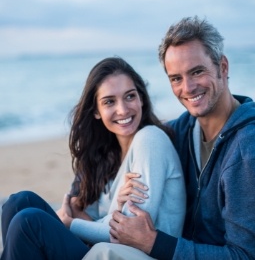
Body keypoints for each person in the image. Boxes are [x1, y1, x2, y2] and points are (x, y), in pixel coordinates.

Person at [87, 17, 255, 259]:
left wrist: (154, 242)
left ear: (223, 67)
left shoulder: (253, 150)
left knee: (100, 253)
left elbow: (245, 256)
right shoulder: (184, 130)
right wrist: (102, 192)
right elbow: (126, 135)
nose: (188, 87)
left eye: (197, 72)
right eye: (176, 78)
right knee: (31, 208)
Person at [1, 57, 186, 260]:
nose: (123, 109)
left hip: (136, 255)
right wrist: (111, 209)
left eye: (130, 96)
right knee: (19, 202)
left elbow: (127, 231)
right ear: (96, 111)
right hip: (107, 249)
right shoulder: (107, 156)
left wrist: (71, 223)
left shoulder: (150, 139)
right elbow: (98, 217)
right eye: (109, 101)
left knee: (28, 222)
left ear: (141, 99)